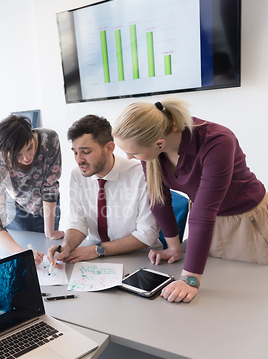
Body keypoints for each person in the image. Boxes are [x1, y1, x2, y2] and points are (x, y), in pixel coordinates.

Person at [113, 97, 268, 303]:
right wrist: (173, 246)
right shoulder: (153, 151)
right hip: (207, 223)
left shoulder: (218, 141)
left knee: (245, 296)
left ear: (160, 143)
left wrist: (190, 280)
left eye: (132, 152)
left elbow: (204, 212)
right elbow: (159, 199)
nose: (130, 158)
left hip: (246, 222)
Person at [47, 115, 161, 266]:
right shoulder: (77, 175)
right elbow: (78, 222)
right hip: (97, 259)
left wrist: (97, 250)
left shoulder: (141, 174)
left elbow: (147, 234)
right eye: (75, 152)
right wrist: (66, 246)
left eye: (86, 152)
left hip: (141, 259)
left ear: (109, 148)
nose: (79, 160)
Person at [0, 114, 64, 263]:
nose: (26, 157)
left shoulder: (49, 139)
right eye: (17, 155)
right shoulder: (0, 164)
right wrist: (21, 253)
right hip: (17, 210)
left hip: (47, 206)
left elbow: (50, 187)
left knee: (48, 258)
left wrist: (49, 231)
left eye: (30, 147)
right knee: (24, 263)